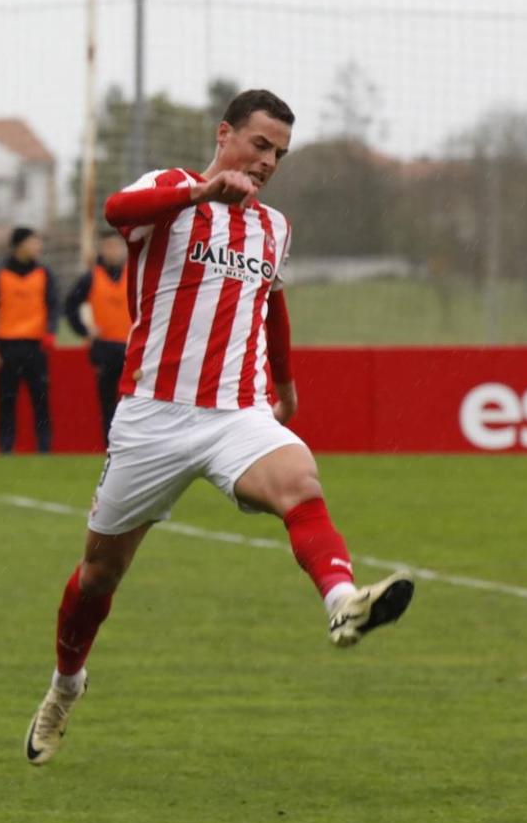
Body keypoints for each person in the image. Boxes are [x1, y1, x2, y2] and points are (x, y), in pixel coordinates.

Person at [23, 88, 415, 767]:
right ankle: (65, 685)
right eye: (259, 145)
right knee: (98, 575)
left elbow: (270, 303)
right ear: (224, 132)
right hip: (153, 415)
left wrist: (285, 383)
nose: (267, 162)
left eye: (279, 155)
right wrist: (203, 191)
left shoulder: (273, 227)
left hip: (237, 412)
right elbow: (117, 212)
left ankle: (343, 601)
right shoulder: (171, 190)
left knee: (300, 479)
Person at [0, 226, 59, 454]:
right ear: (19, 245)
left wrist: (50, 332)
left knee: (41, 400)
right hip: (7, 346)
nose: (38, 247)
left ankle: (44, 448)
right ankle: (6, 448)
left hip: (36, 347)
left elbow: (53, 306)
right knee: (6, 401)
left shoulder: (44, 274)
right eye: (33, 242)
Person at [61, 228, 132, 447]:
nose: (114, 251)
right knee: (107, 401)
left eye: (118, 245)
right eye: (109, 246)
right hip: (104, 347)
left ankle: (133, 445)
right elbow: (70, 306)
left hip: (133, 347)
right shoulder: (92, 277)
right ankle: (110, 445)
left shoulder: (135, 273)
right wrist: (84, 330)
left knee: (134, 401)